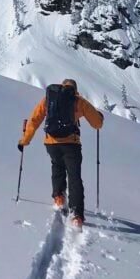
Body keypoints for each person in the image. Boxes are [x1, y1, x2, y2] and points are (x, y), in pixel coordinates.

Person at [17, 78, 103, 228]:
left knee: (57, 167)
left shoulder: (49, 99)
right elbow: (97, 123)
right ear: (75, 89)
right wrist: (100, 116)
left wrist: (25, 140)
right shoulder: (78, 101)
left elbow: (34, 119)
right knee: (74, 177)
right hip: (71, 144)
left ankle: (58, 197)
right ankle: (76, 215)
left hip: (51, 143)